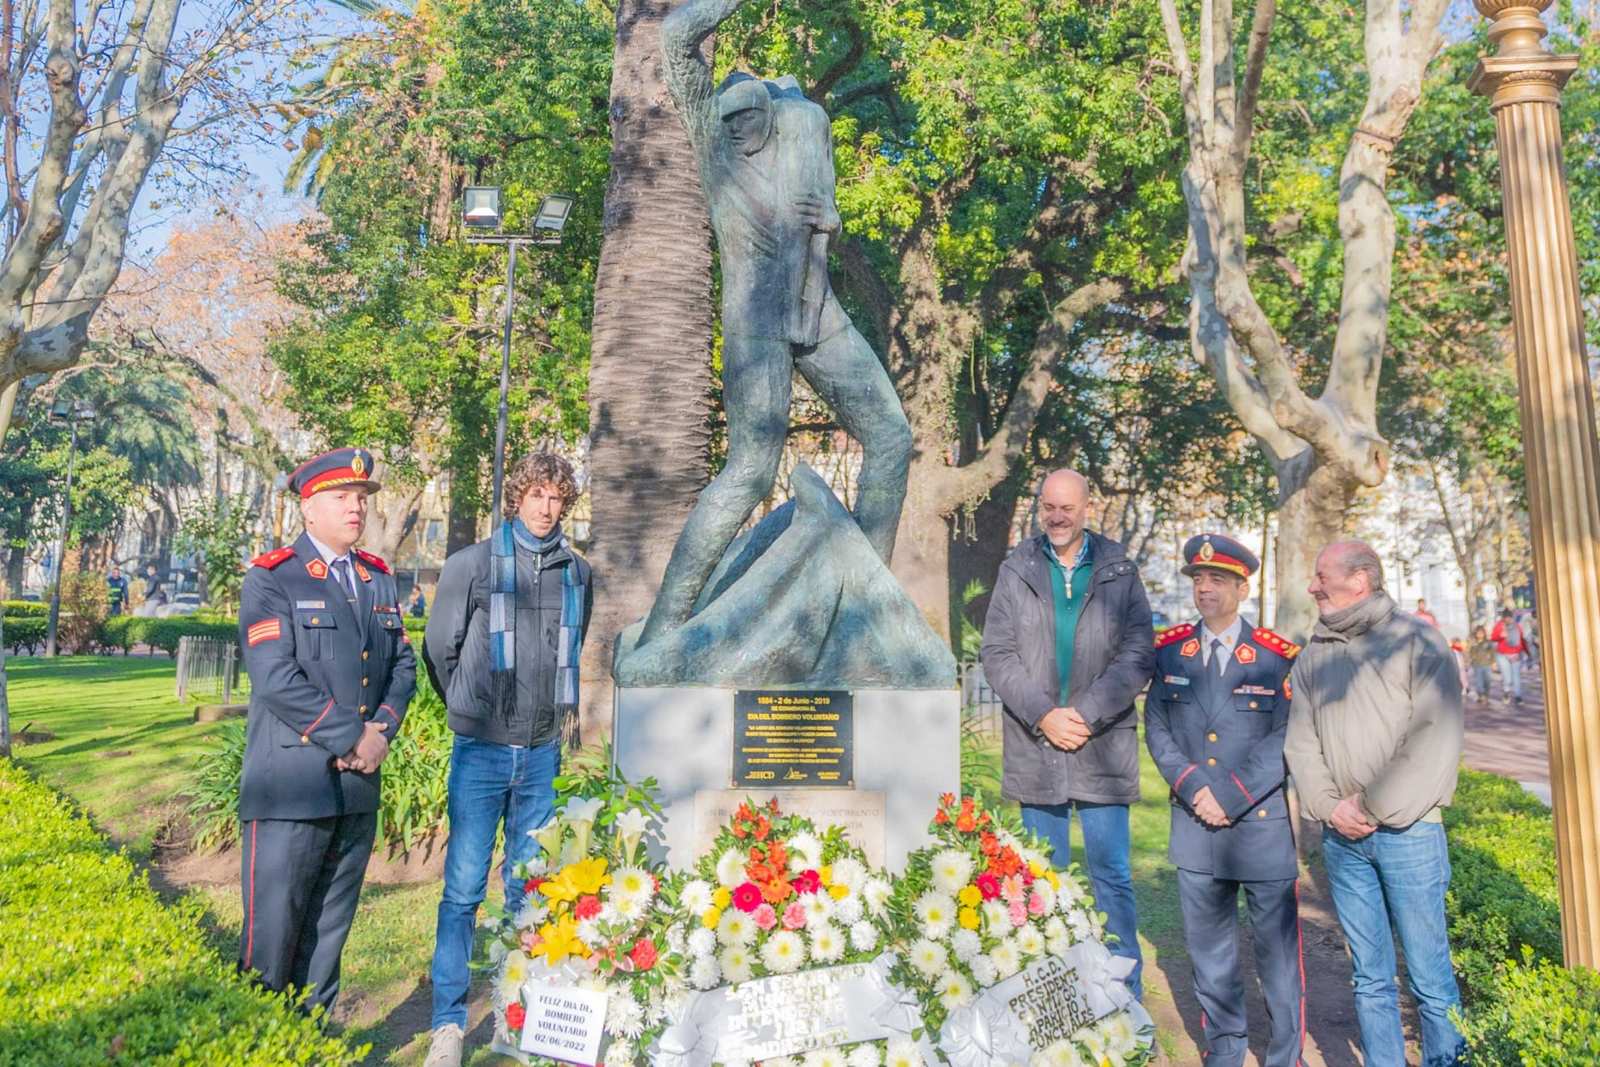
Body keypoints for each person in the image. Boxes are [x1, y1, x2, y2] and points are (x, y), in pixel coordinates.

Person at [645, 0, 912, 644]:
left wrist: (831, 218)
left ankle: (863, 612)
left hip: (821, 319)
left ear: (770, 114)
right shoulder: (719, 158)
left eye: (748, 116)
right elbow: (676, 41)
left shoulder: (801, 141)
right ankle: (663, 626)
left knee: (893, 438)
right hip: (757, 330)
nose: (736, 127)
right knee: (751, 471)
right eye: (727, 118)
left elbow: (818, 192)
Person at [421, 453, 592, 1067]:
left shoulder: (577, 573)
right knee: (463, 890)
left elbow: (575, 642)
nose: (547, 509)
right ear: (517, 497)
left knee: (526, 890)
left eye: (557, 499)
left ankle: (513, 1012)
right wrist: (471, 707)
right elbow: (440, 650)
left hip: (542, 751)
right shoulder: (470, 566)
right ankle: (447, 1024)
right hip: (482, 751)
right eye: (537, 495)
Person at [236, 447, 417, 1017]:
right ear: (308, 509)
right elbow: (275, 679)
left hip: (356, 788)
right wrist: (350, 737)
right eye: (342, 497)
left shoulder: (377, 579)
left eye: (361, 498)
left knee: (329, 934)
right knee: (272, 941)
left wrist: (381, 731)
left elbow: (402, 667)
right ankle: (258, 1045)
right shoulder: (273, 579)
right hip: (291, 787)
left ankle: (315, 1040)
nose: (355, 508)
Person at [1284, 541, 1465, 1067]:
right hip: (1342, 839)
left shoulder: (1417, 640)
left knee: (1431, 981)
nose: (1313, 586)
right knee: (1369, 979)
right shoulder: (1314, 651)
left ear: (1359, 580)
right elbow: (1301, 741)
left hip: (1410, 836)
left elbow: (1433, 735)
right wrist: (1328, 806)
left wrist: (1371, 806)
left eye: (1322, 576)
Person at [979, 468, 1154, 997]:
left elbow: (1139, 652)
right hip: (1038, 747)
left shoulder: (1119, 569)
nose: (1057, 517)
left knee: (1112, 875)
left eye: (1067, 508)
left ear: (1086, 508)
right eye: (1048, 507)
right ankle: (1050, 993)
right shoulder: (1017, 567)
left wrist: (1084, 714)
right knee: (1041, 878)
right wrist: (1044, 715)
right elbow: (997, 653)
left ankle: (1122, 997)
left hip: (1102, 745)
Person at [1145, 534, 1305, 1067]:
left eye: (1217, 579)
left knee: (1277, 954)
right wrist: (1194, 788)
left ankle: (1285, 1054)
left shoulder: (1275, 657)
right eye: (1198, 579)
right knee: (1209, 952)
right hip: (1196, 825)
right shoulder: (1169, 652)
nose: (1205, 588)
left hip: (1259, 825)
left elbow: (1284, 739)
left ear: (1242, 586)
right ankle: (1227, 1046)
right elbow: (1158, 730)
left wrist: (1230, 798)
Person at [1490, 607, 1527, 706]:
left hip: (1515, 654)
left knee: (1516, 676)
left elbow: (1521, 639)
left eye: (1509, 617)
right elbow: (1493, 637)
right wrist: (1500, 635)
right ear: (1503, 618)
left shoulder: (1517, 626)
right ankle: (1506, 692)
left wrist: (1523, 651)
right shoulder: (1499, 626)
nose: (1508, 619)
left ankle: (1518, 696)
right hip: (1502, 654)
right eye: (1505, 617)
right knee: (1507, 677)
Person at [1468, 625, 1496, 703]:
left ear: (1484, 633)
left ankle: (1486, 695)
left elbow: (1492, 653)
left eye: (1481, 633)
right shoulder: (1473, 643)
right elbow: (1469, 652)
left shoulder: (1488, 642)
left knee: (1487, 681)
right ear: (1475, 634)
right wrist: (1470, 660)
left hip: (1487, 665)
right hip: (1477, 665)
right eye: (1478, 633)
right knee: (1479, 682)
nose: (1480, 634)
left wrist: (1493, 663)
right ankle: (1481, 695)